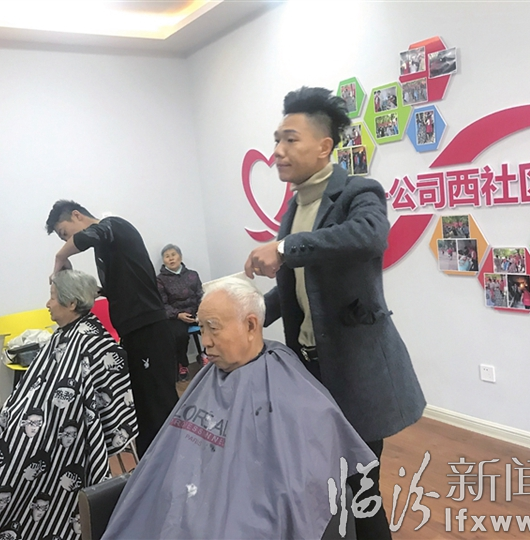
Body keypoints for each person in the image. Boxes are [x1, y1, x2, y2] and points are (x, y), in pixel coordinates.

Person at [244, 86, 425, 540]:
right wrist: (250, 316)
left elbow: (368, 236)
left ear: (324, 146)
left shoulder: (359, 192)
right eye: (276, 140)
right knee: (325, 485)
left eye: (290, 140)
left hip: (356, 371)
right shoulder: (295, 205)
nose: (278, 151)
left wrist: (283, 248)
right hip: (309, 370)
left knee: (362, 487)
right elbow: (299, 287)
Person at [102, 277, 376, 540]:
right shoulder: (207, 378)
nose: (205, 342)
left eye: (214, 328)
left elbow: (298, 487)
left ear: (250, 325)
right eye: (202, 328)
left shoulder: (291, 391)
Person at [0, 270, 137, 539]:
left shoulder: (90, 340)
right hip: (32, 419)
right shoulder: (64, 334)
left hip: (59, 433)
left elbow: (93, 400)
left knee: (14, 459)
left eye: (53, 297)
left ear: (71, 303)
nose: (48, 303)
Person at [46, 200, 178, 456]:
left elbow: (88, 236)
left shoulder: (114, 226)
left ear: (77, 215)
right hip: (132, 332)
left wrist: (61, 257)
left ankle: (175, 462)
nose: (67, 241)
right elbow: (123, 286)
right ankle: (150, 468)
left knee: (159, 404)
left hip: (149, 329)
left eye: (65, 233)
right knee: (143, 406)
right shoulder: (107, 247)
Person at [156, 244, 204, 382]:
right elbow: (163, 304)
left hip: (196, 312)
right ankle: (182, 364)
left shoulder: (193, 275)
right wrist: (178, 315)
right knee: (179, 335)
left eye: (173, 255)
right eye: (167, 256)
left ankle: (206, 355)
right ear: (164, 260)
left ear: (180, 257)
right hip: (177, 316)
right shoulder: (160, 280)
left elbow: (200, 295)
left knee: (214, 325)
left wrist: (201, 311)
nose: (171, 258)